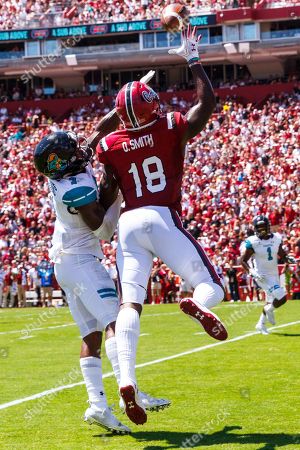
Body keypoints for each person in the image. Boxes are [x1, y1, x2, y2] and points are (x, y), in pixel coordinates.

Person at [96, 25, 227, 426]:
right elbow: (207, 105)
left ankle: (128, 380)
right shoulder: (168, 125)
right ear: (153, 104)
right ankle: (198, 304)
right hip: (162, 216)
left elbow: (105, 197)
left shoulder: (110, 145)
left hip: (129, 222)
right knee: (212, 285)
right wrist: (193, 60)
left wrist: (100, 142)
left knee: (129, 305)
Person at [33, 74, 169, 433]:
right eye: (72, 151)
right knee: (115, 323)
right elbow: (103, 229)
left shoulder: (67, 170)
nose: (81, 150)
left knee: (91, 336)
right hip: (80, 259)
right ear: (61, 164)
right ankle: (133, 391)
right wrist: (117, 188)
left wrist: (128, 97)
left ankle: (97, 405)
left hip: (68, 259)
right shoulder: (73, 187)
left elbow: (102, 126)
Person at [240, 215, 296, 335]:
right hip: (261, 275)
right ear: (255, 228)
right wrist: (251, 271)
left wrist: (287, 259)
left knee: (271, 299)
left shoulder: (276, 238)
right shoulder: (253, 241)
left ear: (268, 226)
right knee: (281, 297)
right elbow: (243, 261)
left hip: (273, 274)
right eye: (259, 227)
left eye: (263, 226)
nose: (261, 229)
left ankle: (261, 324)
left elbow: (281, 253)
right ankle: (269, 309)